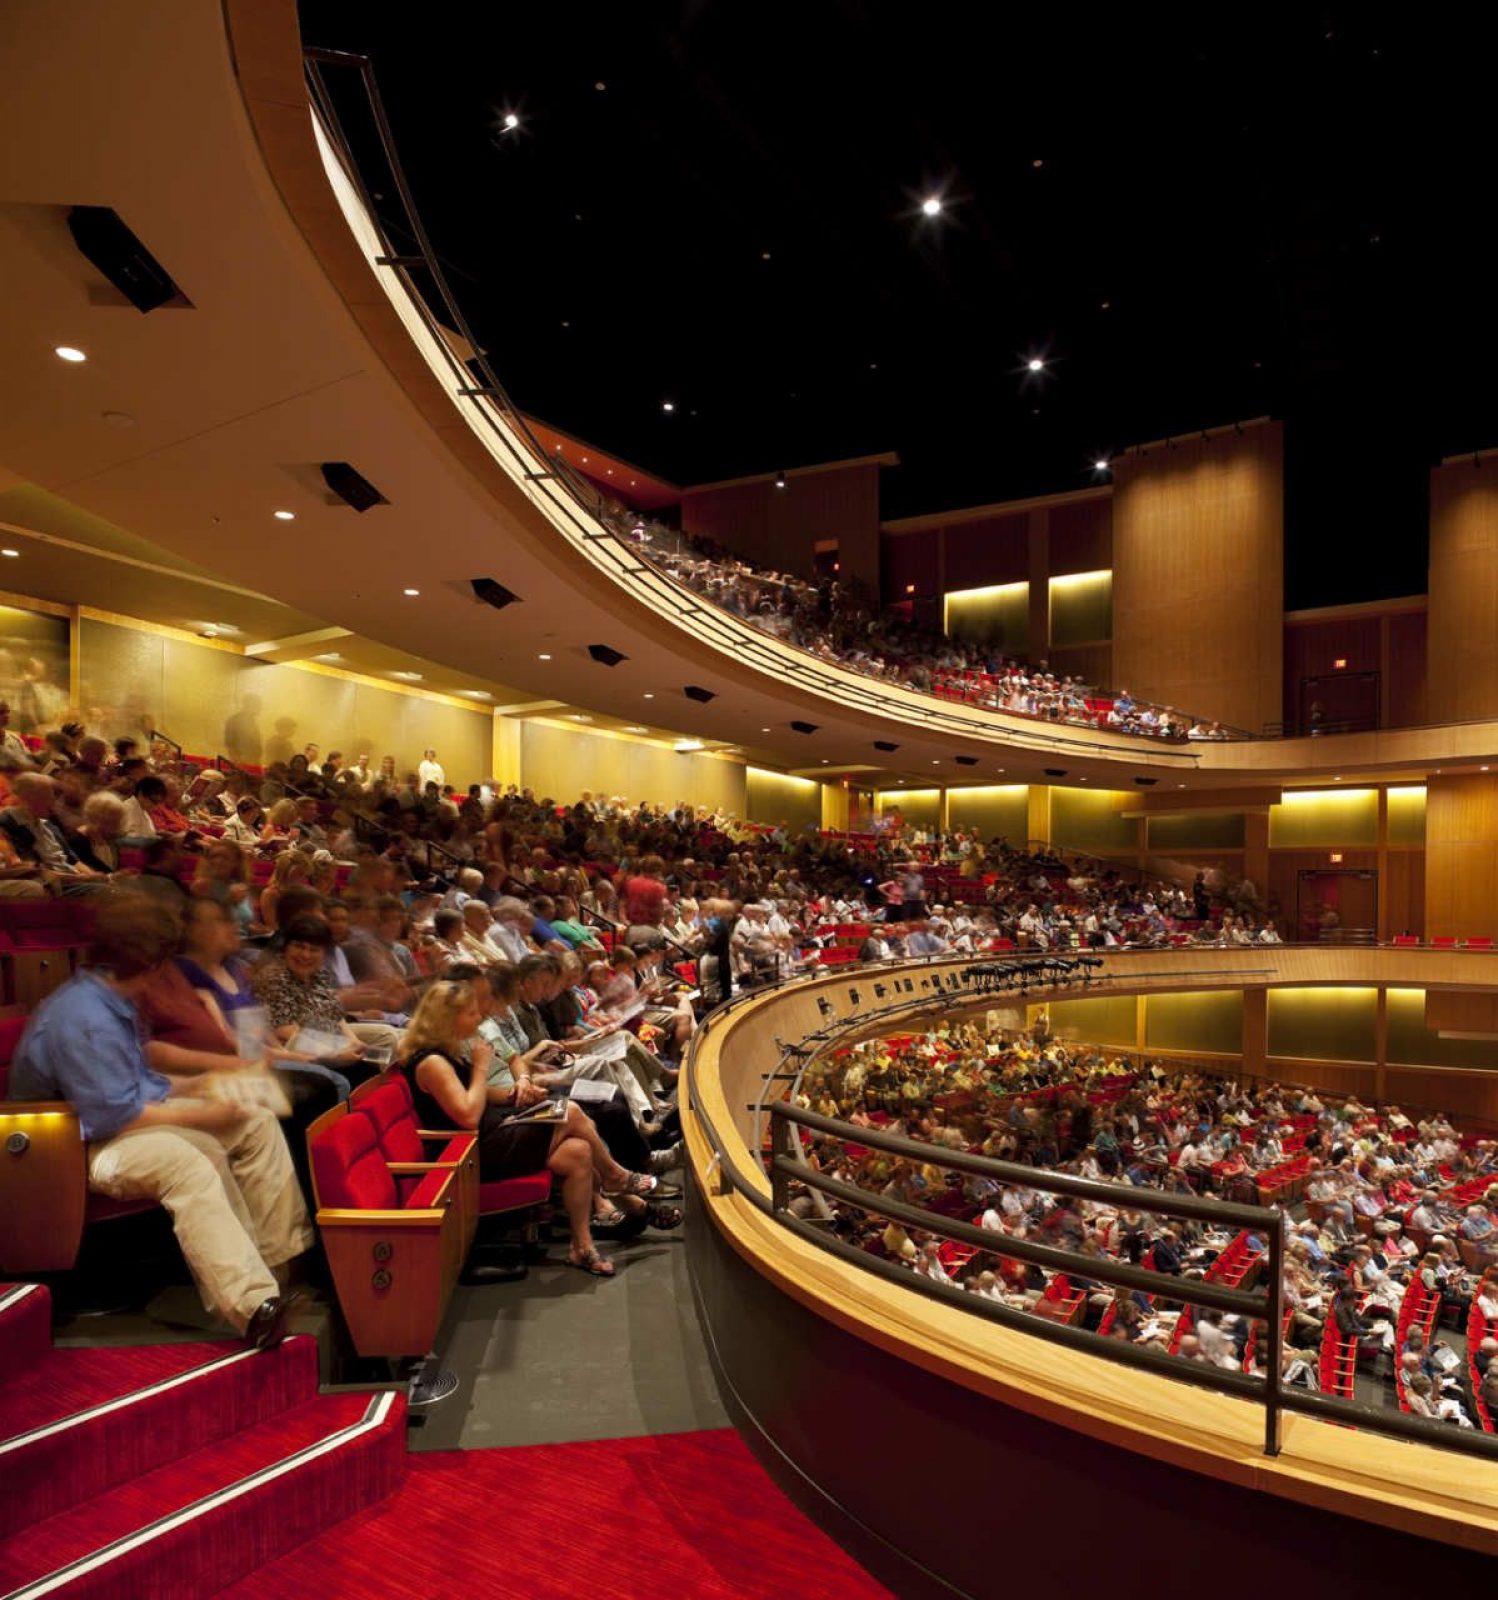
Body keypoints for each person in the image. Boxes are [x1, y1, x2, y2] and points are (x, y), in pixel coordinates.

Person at [8, 891, 310, 1346]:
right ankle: (252, 1306)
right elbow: (119, 1115)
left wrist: (209, 1083)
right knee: (188, 1155)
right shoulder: (84, 1016)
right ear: (150, 965)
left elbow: (141, 1081)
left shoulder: (113, 997)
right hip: (66, 1149)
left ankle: (276, 1266)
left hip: (106, 1124)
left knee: (254, 1121)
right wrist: (209, 1109)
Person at [397, 979, 660, 1277]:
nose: (478, 1017)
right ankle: (615, 1176)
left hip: (495, 1132)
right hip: (473, 1154)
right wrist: (482, 1068)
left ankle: (582, 1247)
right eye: (470, 1013)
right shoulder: (432, 1062)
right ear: (447, 1018)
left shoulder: (450, 1051)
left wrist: (517, 1094)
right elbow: (468, 1116)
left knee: (578, 1152)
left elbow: (483, 1095)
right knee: (571, 1111)